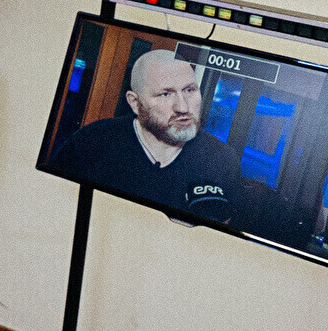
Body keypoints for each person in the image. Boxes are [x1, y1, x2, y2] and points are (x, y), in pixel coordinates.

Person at [45, 47, 274, 230]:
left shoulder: (222, 160)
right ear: (135, 103)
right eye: (165, 94)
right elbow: (51, 209)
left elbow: (223, 236)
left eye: (190, 90)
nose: (183, 107)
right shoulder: (92, 142)